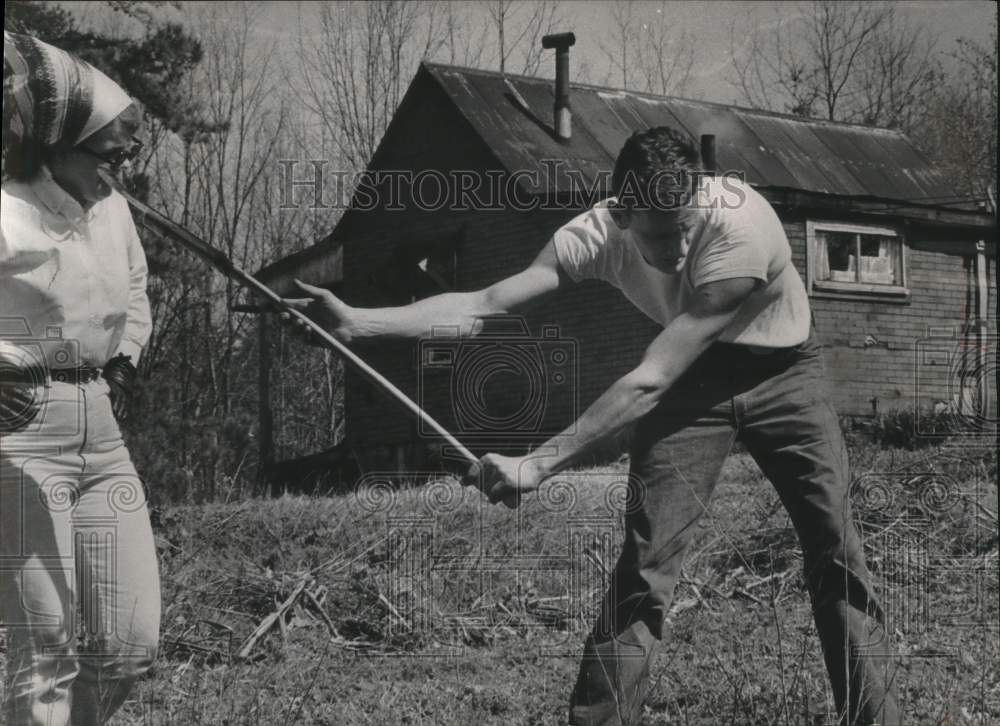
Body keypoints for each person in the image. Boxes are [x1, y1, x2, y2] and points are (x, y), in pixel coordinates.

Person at [283, 126, 899, 725]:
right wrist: (360, 323)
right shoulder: (594, 235)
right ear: (622, 215)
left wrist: (539, 462)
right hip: (692, 386)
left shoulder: (740, 228)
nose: (679, 251)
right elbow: (485, 306)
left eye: (685, 228)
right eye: (661, 236)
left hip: (784, 373)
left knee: (834, 550)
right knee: (647, 563)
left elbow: (649, 379)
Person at [1, 32, 158, 726]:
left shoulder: (113, 208)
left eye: (130, 153)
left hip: (101, 430)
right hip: (20, 436)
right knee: (43, 647)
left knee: (127, 644)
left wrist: (123, 353)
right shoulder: (8, 211)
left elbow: (134, 285)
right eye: (109, 154)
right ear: (56, 145)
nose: (122, 167)